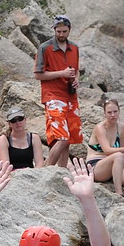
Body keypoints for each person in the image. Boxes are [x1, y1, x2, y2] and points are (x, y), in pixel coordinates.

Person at [34, 15, 81, 168]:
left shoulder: (74, 48)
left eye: (64, 31)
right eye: (58, 31)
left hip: (70, 96)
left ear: (69, 30)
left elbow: (76, 69)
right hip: (53, 96)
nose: (61, 34)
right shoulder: (45, 48)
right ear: (54, 30)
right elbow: (38, 74)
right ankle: (46, 171)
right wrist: (61, 73)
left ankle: (61, 172)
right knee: (61, 138)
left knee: (68, 140)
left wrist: (76, 79)